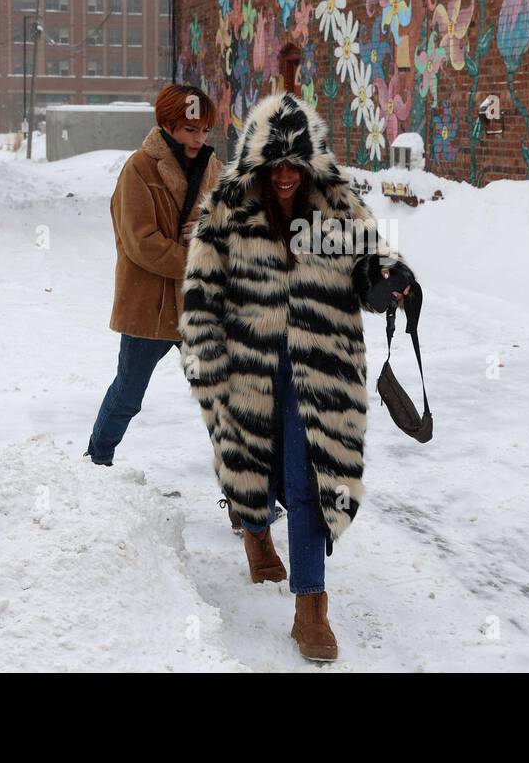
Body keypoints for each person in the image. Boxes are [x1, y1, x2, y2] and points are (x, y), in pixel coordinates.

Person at [179, 91, 416, 662]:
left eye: (295, 164)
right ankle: (256, 531)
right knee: (251, 467)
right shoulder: (226, 210)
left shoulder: (336, 204)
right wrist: (208, 372)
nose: (285, 176)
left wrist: (391, 278)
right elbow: (201, 300)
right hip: (248, 369)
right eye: (274, 164)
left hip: (319, 367)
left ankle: (311, 605)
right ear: (257, 161)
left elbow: (369, 262)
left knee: (308, 481)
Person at [85, 84, 223, 469]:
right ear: (168, 125)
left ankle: (247, 501)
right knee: (128, 394)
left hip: (198, 308)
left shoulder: (211, 166)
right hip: (149, 308)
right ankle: (95, 465)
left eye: (204, 130)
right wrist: (196, 258)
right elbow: (141, 242)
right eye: (191, 130)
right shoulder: (139, 169)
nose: (199, 139)